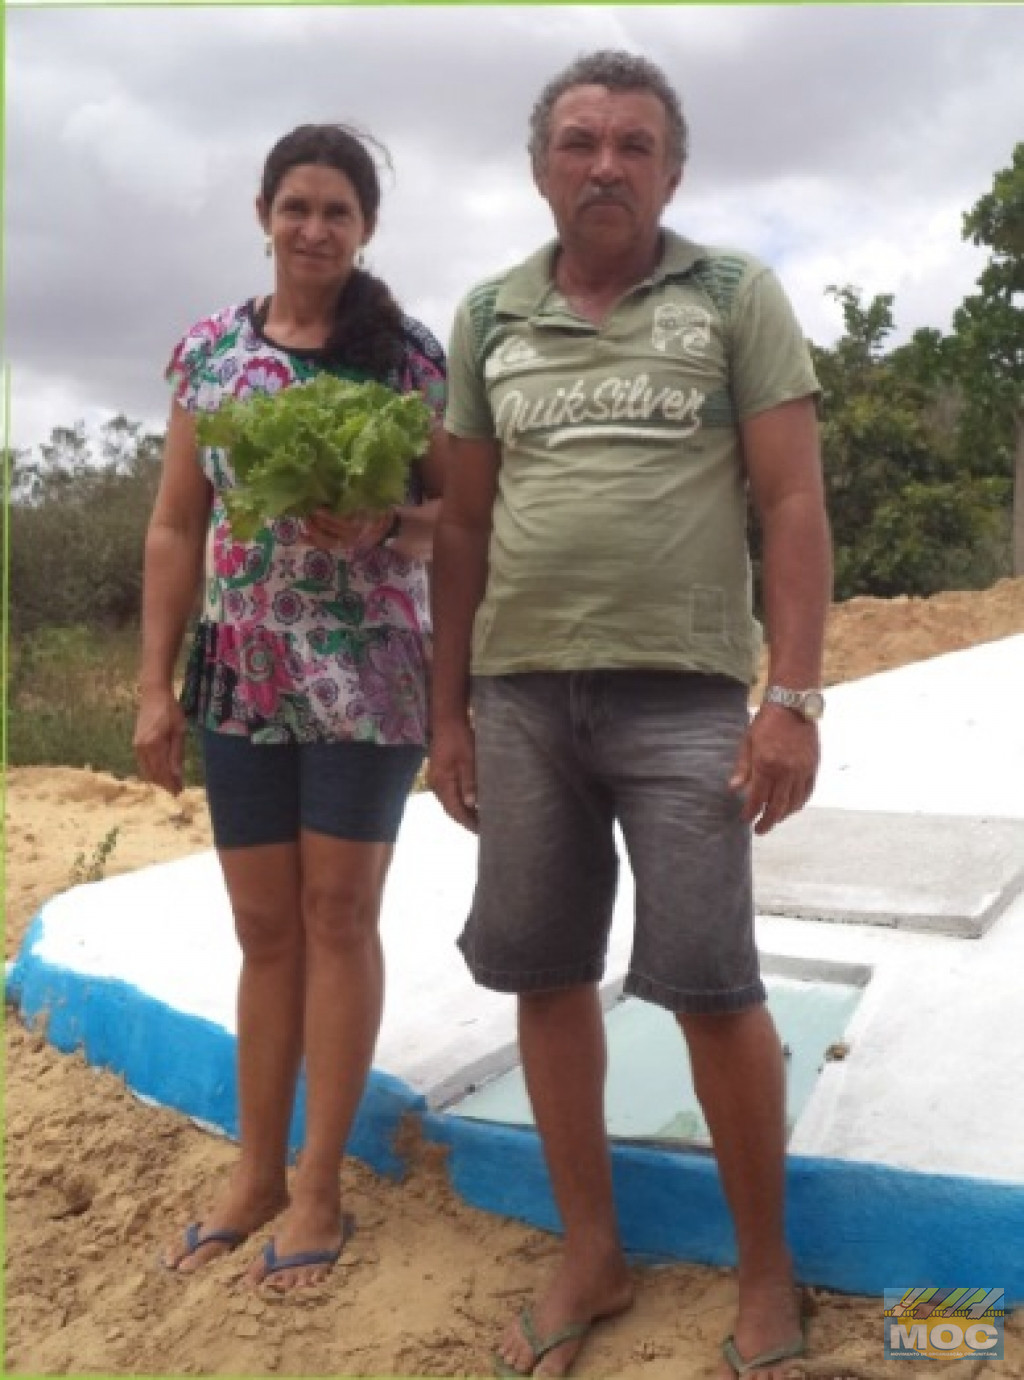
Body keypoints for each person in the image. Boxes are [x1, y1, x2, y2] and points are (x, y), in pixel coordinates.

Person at [429, 51, 831, 1380]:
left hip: (689, 702)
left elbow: (790, 505)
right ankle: (591, 1253)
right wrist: (449, 716)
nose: (607, 163)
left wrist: (792, 700)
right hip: (522, 699)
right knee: (546, 979)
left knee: (715, 987)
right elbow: (465, 526)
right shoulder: (488, 314)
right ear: (542, 163)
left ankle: (765, 1280)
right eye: (582, 141)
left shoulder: (732, 294)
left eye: (636, 145)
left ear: (671, 169)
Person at [133, 123, 446, 1291]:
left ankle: (318, 1186)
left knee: (336, 916)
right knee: (262, 929)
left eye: (340, 213)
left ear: (366, 231)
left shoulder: (407, 357)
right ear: (264, 212)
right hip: (242, 672)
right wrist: (151, 686)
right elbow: (177, 523)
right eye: (298, 207)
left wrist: (383, 525)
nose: (315, 230)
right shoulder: (209, 354)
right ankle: (255, 1170)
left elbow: (453, 523)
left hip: (369, 672)